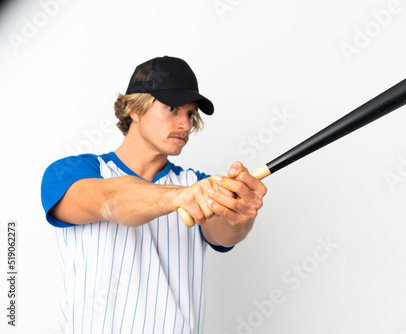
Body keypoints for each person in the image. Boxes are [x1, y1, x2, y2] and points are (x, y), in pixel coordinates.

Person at [40, 56, 267, 333]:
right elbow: (112, 202)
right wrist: (179, 197)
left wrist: (239, 212)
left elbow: (223, 233)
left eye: (191, 114)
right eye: (172, 108)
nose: (185, 124)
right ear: (135, 108)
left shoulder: (195, 184)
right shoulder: (72, 172)